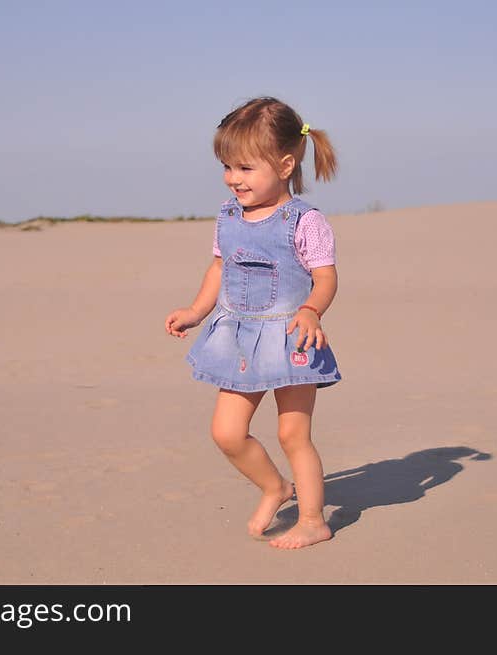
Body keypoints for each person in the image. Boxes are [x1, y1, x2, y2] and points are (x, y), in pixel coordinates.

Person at [164, 96, 341, 549]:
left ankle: (312, 519)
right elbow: (219, 269)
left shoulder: (304, 220)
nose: (232, 179)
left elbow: (325, 277)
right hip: (239, 335)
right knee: (226, 432)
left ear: (284, 165)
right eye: (227, 167)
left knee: (292, 433)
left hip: (291, 336)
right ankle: (274, 487)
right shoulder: (227, 216)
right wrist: (196, 310)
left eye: (245, 168)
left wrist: (311, 310)